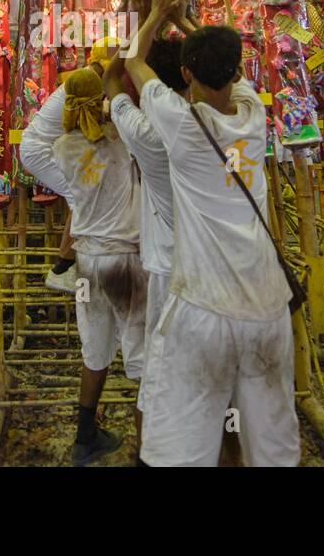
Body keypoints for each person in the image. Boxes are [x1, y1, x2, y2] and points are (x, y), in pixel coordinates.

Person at [128, 0, 300, 467]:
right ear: (235, 69)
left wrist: (156, 13)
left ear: (185, 74)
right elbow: (226, 67)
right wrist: (185, 21)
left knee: (183, 447)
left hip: (204, 309)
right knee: (272, 445)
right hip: (267, 310)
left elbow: (134, 62)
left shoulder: (182, 123)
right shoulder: (254, 114)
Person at [49, 67, 144, 465]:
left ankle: (84, 438)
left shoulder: (61, 148)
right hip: (125, 262)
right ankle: (149, 452)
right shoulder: (121, 143)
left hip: (87, 264)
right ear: (101, 102)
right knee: (143, 361)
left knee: (95, 351)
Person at [103, 35, 189, 428]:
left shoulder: (146, 136)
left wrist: (138, 25)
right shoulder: (218, 122)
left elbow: (112, 78)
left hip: (168, 272)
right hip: (217, 272)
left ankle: (150, 450)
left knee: (156, 378)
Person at [19, 39, 113, 292]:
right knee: (82, 197)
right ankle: (62, 268)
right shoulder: (87, 81)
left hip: (48, 148)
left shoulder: (91, 78)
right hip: (41, 150)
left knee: (86, 195)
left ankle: (72, 263)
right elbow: (93, 123)